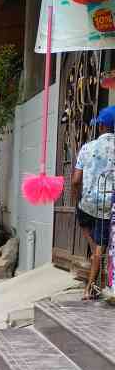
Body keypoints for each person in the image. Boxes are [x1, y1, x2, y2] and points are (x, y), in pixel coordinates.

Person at [72, 105, 115, 300]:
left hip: (88, 206)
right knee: (100, 245)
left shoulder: (87, 148)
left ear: (101, 127)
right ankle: (96, 250)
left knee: (83, 219)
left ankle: (89, 287)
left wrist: (77, 199)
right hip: (109, 208)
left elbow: (74, 181)